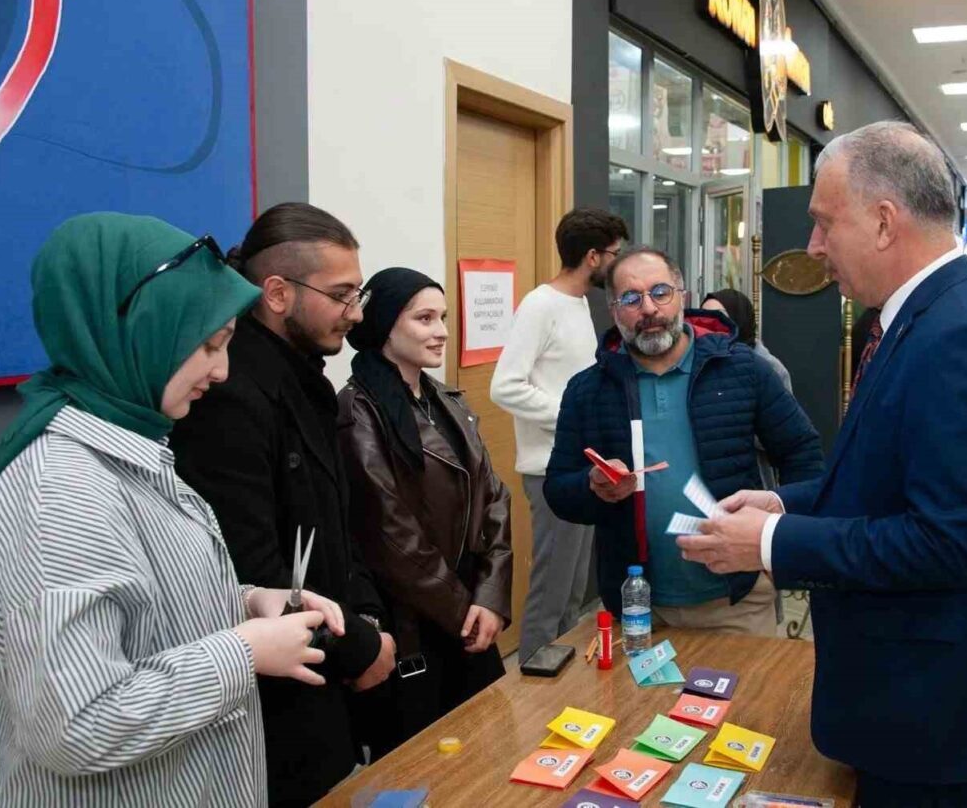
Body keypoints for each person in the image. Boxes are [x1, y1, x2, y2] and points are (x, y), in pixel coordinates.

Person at [677, 121, 967, 808]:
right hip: (911, 695)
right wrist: (788, 505)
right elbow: (889, 478)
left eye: (825, 224)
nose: (815, 247)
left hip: (934, 709)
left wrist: (767, 544)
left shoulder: (957, 336)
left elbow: (943, 542)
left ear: (885, 222)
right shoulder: (923, 319)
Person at [0, 213, 347, 806]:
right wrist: (245, 651)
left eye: (227, 344)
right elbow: (75, 724)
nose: (222, 371)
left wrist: (249, 601)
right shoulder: (62, 490)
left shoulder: (138, 446)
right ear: (136, 332)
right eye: (206, 346)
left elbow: (144, 618)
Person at [170, 203, 395, 807]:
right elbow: (249, 562)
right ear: (276, 292)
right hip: (278, 685)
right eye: (342, 295)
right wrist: (356, 648)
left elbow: (334, 525)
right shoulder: (230, 394)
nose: (355, 315)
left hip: (326, 650)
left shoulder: (305, 378)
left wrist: (367, 621)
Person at [544, 247, 823, 635]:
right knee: (638, 701)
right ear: (613, 310)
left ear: (682, 297)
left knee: (746, 698)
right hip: (638, 608)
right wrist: (593, 487)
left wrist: (778, 543)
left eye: (660, 292)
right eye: (631, 298)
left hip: (735, 601)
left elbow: (804, 456)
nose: (649, 308)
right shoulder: (587, 390)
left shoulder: (741, 369)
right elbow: (557, 489)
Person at [338, 268, 512, 757]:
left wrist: (492, 595)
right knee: (422, 769)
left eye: (443, 317)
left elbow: (495, 497)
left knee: (488, 750)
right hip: (418, 623)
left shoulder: (446, 400)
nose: (441, 331)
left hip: (470, 607)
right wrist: (468, 613)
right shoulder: (359, 413)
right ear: (385, 326)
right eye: (424, 318)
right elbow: (392, 538)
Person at [491, 208, 625, 664]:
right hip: (550, 470)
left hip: (582, 469)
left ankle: (563, 694)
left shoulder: (579, 303)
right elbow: (504, 385)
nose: (618, 263)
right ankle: (531, 686)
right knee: (551, 594)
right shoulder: (540, 305)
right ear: (592, 256)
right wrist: (570, 418)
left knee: (571, 594)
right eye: (614, 254)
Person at [701, 288, 791, 392]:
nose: (708, 323)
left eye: (718, 315)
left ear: (738, 318)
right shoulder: (697, 364)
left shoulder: (771, 369)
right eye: (703, 315)